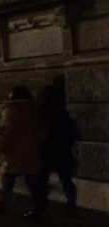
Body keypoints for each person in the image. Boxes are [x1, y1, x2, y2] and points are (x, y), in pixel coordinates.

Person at [0, 86, 48, 218]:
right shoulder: (35, 109)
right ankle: (38, 208)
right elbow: (42, 130)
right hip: (32, 149)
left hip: (14, 150)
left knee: (8, 178)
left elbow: (8, 131)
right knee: (32, 180)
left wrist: (3, 146)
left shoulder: (10, 110)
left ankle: (3, 203)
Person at [40, 77, 79, 217]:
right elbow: (71, 133)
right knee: (66, 179)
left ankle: (41, 206)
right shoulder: (63, 115)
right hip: (63, 150)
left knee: (43, 178)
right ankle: (71, 205)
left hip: (47, 150)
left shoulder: (43, 114)